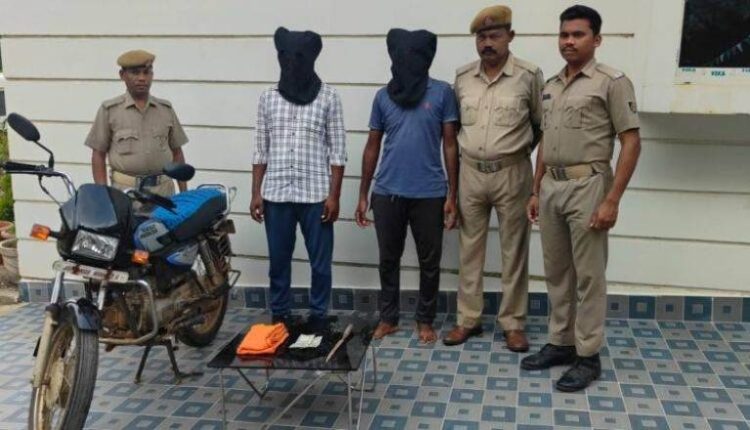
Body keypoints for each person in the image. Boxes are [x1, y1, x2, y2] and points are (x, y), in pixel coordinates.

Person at [521, 5, 641, 392]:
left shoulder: (611, 82)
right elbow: (546, 141)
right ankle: (561, 342)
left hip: (589, 185)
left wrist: (612, 200)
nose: (569, 41)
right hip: (552, 187)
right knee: (557, 271)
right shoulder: (551, 85)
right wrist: (536, 189)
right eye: (564, 34)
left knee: (588, 275)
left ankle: (588, 355)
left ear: (596, 39)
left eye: (578, 34)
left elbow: (631, 142)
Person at [442, 5, 543, 353]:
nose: (487, 43)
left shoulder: (528, 76)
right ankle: (467, 319)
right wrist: (453, 189)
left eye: (494, 36)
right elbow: (455, 130)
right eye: (481, 37)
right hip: (471, 172)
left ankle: (513, 323)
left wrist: (520, 160)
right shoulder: (463, 78)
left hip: (512, 172)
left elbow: (541, 125)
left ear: (510, 37)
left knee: (514, 249)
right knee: (469, 248)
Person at [355, 28, 459, 344]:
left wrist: (453, 195)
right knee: (388, 259)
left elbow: (450, 145)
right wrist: (363, 194)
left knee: (430, 262)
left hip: (430, 193)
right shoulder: (382, 97)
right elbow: (372, 146)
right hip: (387, 193)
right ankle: (389, 318)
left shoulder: (442, 93)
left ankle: (425, 320)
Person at [251, 27, 347, 325]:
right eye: (286, 57)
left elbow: (338, 151)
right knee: (278, 261)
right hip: (276, 193)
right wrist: (256, 193)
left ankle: (318, 315)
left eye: (299, 57)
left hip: (316, 194)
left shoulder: (329, 97)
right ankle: (280, 314)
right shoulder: (268, 98)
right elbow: (260, 149)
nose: (292, 63)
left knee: (321, 263)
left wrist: (334, 196)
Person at [85, 49, 189, 196]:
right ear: (122, 75)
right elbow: (98, 155)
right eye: (135, 73)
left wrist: (184, 193)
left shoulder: (165, 110)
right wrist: (102, 195)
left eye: (147, 72)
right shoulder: (110, 110)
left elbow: (177, 152)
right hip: (125, 194)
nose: (142, 78)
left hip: (164, 192)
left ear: (152, 75)